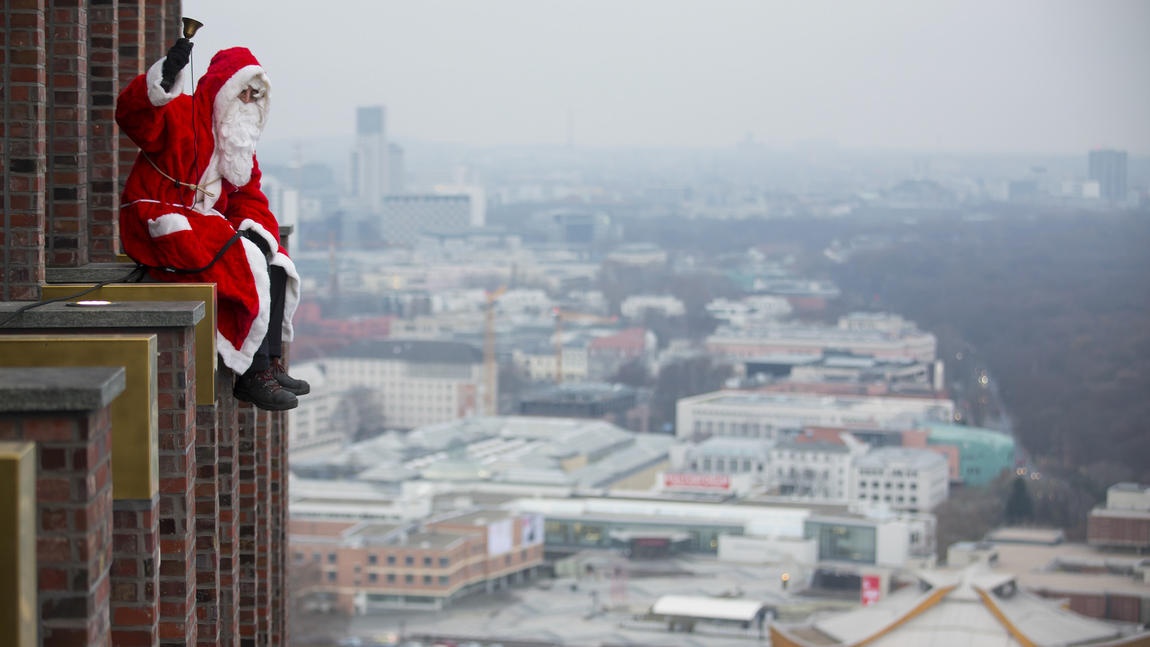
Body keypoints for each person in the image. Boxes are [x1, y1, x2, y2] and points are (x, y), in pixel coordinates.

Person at [116, 38, 308, 411]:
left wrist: (258, 229)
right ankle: (250, 376)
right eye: (244, 93)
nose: (250, 102)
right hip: (160, 217)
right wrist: (165, 77)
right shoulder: (181, 113)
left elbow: (249, 196)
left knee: (276, 262)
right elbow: (135, 118)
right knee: (244, 262)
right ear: (226, 89)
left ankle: (267, 362)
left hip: (205, 222)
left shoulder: (237, 144)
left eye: (256, 95)